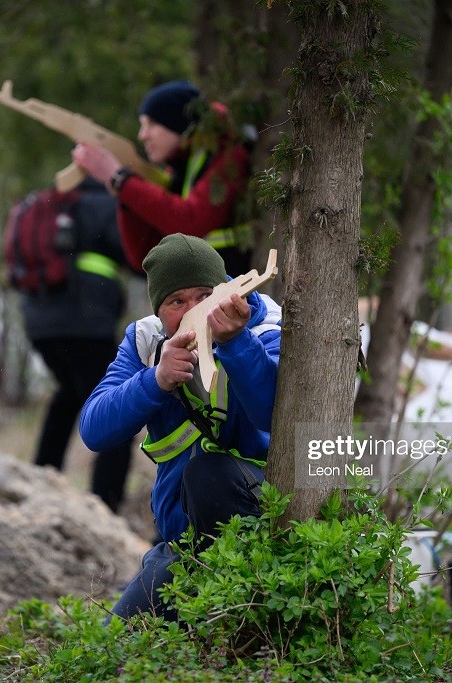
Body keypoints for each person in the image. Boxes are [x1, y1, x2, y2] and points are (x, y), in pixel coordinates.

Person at [79, 234, 281, 620]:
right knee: (112, 646)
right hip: (182, 545)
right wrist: (155, 379)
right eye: (177, 302)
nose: (195, 310)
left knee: (207, 473)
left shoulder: (264, 326)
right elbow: (94, 429)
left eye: (205, 295)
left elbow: (272, 414)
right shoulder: (146, 340)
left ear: (224, 288)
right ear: (160, 312)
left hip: (259, 530)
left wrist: (236, 344)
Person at [21, 177, 133, 513]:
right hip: (86, 324)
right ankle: (105, 506)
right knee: (117, 411)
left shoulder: (55, 203)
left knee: (69, 392)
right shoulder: (106, 204)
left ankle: (41, 480)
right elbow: (136, 254)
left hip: (39, 324)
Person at [70, 80, 254, 277]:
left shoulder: (230, 156)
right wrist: (125, 193)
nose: (143, 135)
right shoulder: (179, 167)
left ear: (178, 123)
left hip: (235, 288)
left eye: (152, 124)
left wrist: (122, 181)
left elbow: (191, 221)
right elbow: (144, 254)